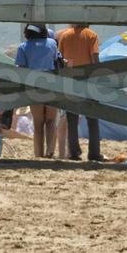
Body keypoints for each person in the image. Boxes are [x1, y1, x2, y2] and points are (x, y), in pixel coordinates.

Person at [55, 22, 102, 161]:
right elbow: (95, 59)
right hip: (88, 81)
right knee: (92, 119)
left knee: (72, 119)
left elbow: (61, 59)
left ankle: (74, 152)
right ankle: (94, 153)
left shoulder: (65, 35)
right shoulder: (92, 35)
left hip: (71, 80)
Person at [14, 23, 59, 158]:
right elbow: (56, 60)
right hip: (52, 86)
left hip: (33, 87)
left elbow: (20, 69)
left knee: (38, 123)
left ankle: (38, 155)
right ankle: (50, 152)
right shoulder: (52, 43)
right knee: (51, 121)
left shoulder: (23, 47)